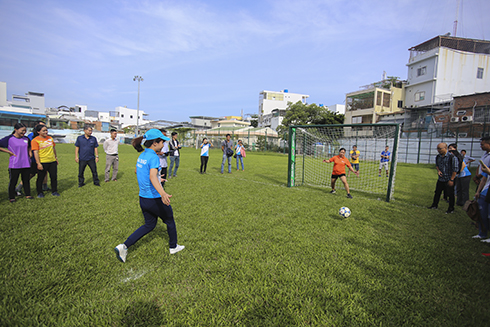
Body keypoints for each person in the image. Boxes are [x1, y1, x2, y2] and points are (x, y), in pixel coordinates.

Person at [114, 129, 185, 263]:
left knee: (150, 225)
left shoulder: (142, 155)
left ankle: (123, 246)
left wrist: (159, 179)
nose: (163, 144)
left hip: (143, 198)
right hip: (154, 199)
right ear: (154, 143)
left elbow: (139, 172)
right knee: (169, 220)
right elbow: (152, 176)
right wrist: (162, 192)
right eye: (162, 141)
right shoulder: (153, 157)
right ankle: (173, 246)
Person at [0, 123, 33, 202]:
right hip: (15, 164)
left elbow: (29, 147)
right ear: (15, 130)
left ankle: (28, 195)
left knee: (26, 180)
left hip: (26, 163)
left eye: (25, 130)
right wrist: (8, 151)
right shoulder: (9, 139)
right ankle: (11, 197)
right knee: (13, 181)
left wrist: (30, 153)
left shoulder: (26, 139)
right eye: (22, 130)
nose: (24, 132)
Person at [428, 143, 459, 214]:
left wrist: (452, 179)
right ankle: (434, 205)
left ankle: (451, 208)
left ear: (445, 148)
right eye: (437, 149)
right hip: (441, 179)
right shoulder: (438, 157)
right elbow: (437, 165)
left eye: (440, 149)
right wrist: (438, 171)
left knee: (450, 194)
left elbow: (455, 169)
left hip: (449, 179)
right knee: (437, 192)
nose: (438, 150)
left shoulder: (452, 157)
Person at [31, 125, 60, 198]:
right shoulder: (35, 140)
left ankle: (54, 191)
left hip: (52, 161)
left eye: (46, 130)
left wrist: (55, 157)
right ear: (38, 132)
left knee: (54, 177)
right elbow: (36, 152)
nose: (46, 132)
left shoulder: (50, 138)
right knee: (40, 178)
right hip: (43, 161)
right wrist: (38, 163)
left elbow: (53, 148)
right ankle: (40, 192)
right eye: (43, 131)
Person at [474, 162, 490, 241]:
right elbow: (484, 179)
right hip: (485, 192)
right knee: (482, 214)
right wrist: (478, 191)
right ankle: (482, 233)